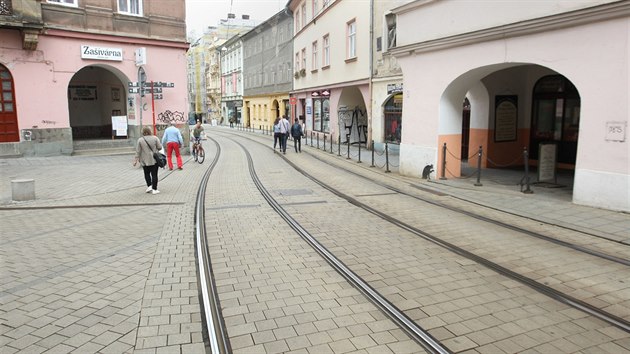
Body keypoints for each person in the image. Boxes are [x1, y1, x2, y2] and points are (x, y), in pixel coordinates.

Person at [134, 126, 163, 195]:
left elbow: (138, 151)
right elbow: (160, 147)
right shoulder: (155, 138)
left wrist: (135, 159)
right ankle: (154, 189)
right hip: (154, 160)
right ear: (150, 131)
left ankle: (149, 186)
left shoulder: (140, 140)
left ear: (143, 132)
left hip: (144, 160)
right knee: (154, 174)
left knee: (146, 173)